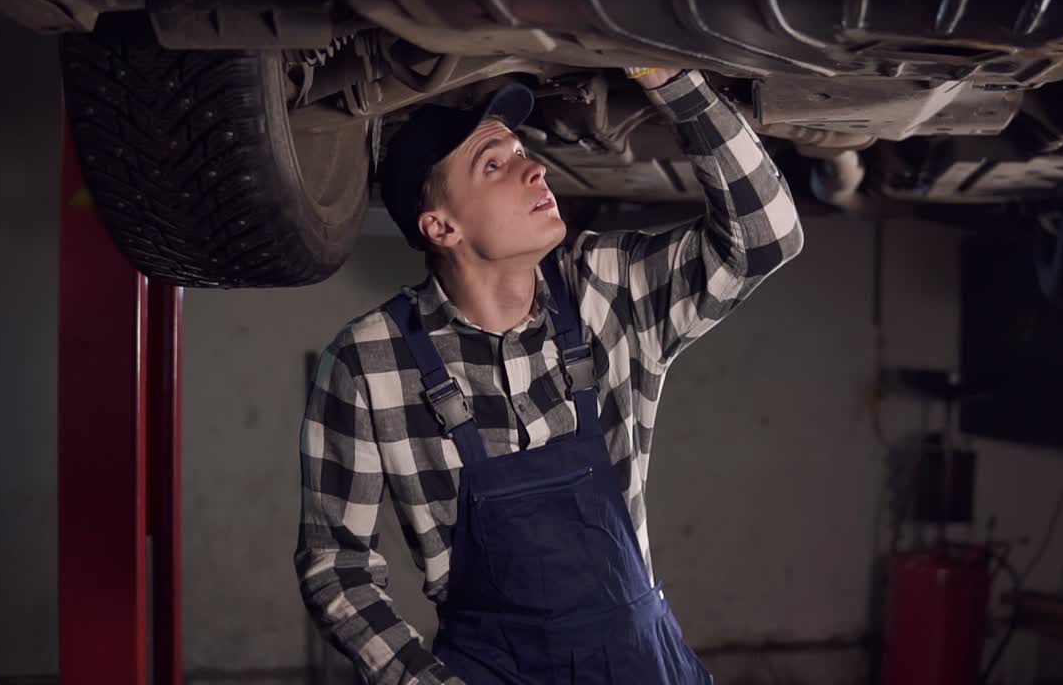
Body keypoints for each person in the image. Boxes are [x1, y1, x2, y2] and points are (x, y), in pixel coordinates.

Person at [295, 66, 803, 684]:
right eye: (493, 164)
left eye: (522, 152)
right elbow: (336, 564)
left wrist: (674, 82)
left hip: (640, 663)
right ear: (441, 227)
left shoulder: (606, 290)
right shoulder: (368, 363)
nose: (533, 169)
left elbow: (766, 237)